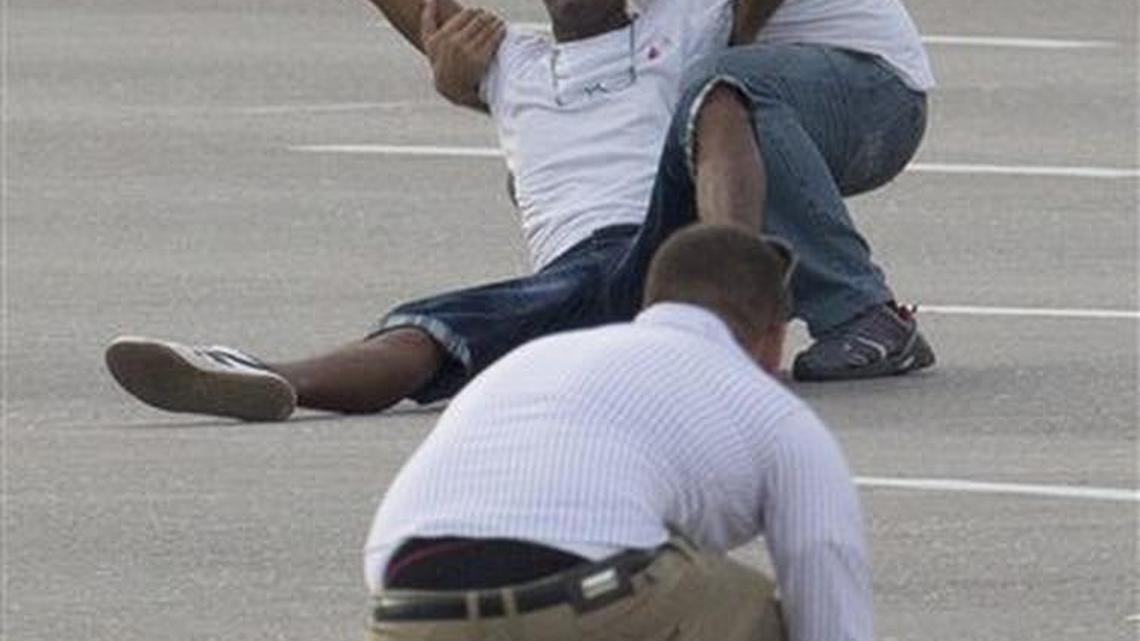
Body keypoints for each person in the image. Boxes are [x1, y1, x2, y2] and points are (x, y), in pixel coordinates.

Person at [104, 0, 932, 423]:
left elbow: (733, 66)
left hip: (664, 236)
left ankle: (728, 328)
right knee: (434, 331)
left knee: (722, 94)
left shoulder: (683, 32)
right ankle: (266, 378)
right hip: (576, 275)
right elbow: (424, 19)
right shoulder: (511, 62)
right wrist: (444, 61)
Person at [364, 224, 873, 641]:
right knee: (750, 612)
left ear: (649, 305)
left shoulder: (534, 360)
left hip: (410, 602)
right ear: (773, 338)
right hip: (589, 598)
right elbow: (825, 580)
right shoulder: (774, 414)